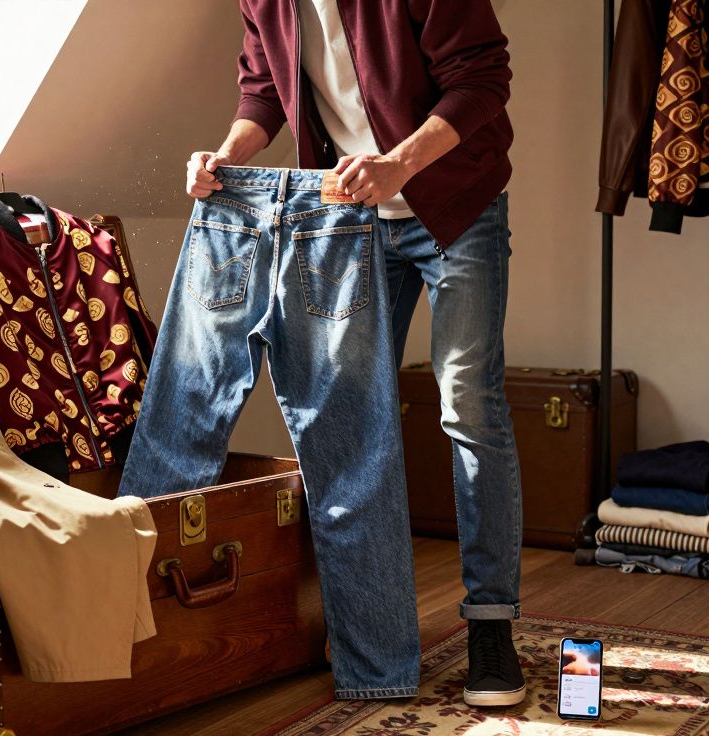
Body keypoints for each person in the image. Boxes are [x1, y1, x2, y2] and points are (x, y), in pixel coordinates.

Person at [185, 0, 525, 706]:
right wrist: (226, 157)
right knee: (346, 416)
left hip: (456, 207)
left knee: (467, 404)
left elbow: (483, 80)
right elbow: (262, 93)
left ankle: (491, 625)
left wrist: (399, 164)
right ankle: (370, 635)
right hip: (346, 217)